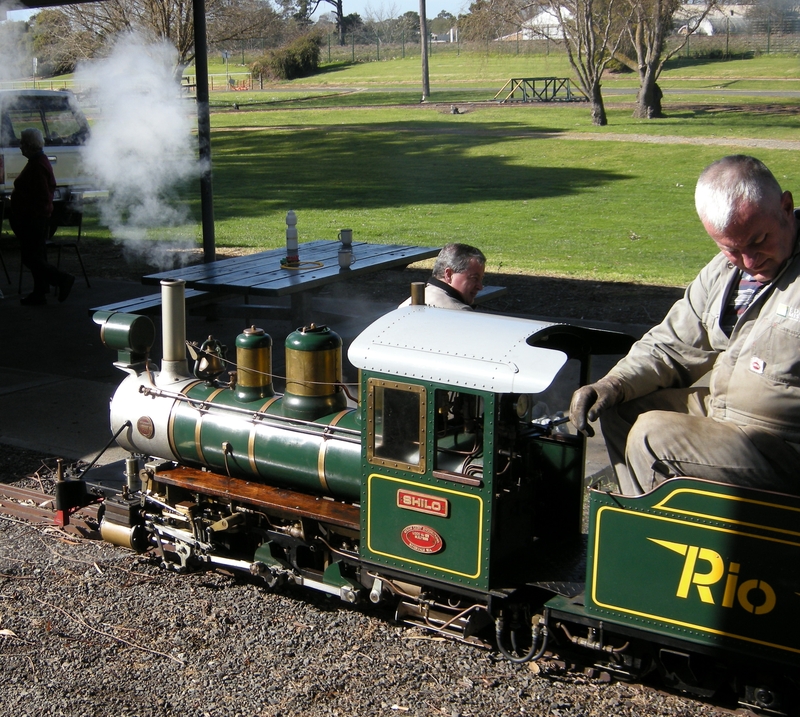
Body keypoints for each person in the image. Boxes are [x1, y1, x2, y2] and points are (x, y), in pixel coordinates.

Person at [569, 154, 800, 496]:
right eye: (731, 249)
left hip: (782, 442)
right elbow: (671, 346)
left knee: (653, 434)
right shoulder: (724, 272)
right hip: (725, 413)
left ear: (785, 206)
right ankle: (652, 524)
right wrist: (613, 384)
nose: (749, 262)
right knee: (620, 410)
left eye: (758, 240)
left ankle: (651, 538)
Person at [11, 127, 74, 306]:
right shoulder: (38, 161)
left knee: (30, 257)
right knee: (37, 255)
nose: (20, 147)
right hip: (36, 217)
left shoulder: (37, 165)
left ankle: (62, 279)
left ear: (30, 145)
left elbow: (40, 195)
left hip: (33, 218)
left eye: (22, 143)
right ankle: (40, 292)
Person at [400, 243, 485, 310]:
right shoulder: (461, 314)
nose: (480, 287)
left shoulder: (403, 307)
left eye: (481, 279)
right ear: (448, 274)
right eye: (474, 278)